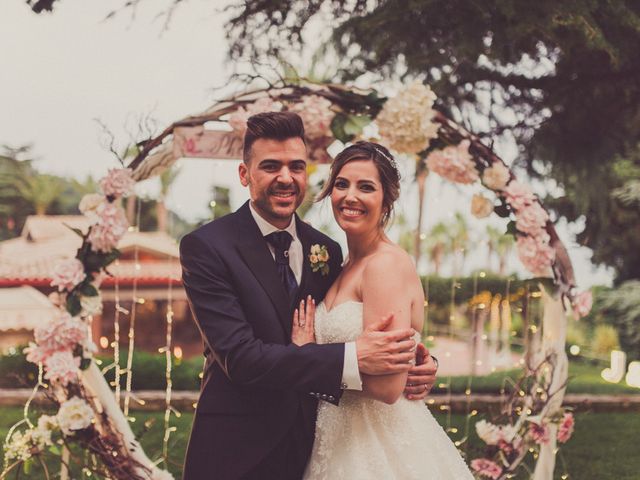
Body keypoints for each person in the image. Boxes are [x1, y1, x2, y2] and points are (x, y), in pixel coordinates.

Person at [179, 111, 438, 480]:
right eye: (270, 166)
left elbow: (368, 320)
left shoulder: (327, 250)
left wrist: (420, 359)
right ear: (244, 174)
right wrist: (352, 357)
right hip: (235, 453)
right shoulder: (207, 247)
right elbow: (240, 358)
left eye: (296, 166)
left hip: (311, 448)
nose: (285, 178)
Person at [294, 141, 474, 479]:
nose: (350, 196)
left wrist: (309, 357)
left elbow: (389, 388)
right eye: (341, 184)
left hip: (377, 445)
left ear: (386, 198)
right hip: (335, 438)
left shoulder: (384, 266)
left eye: (366, 187)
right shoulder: (341, 263)